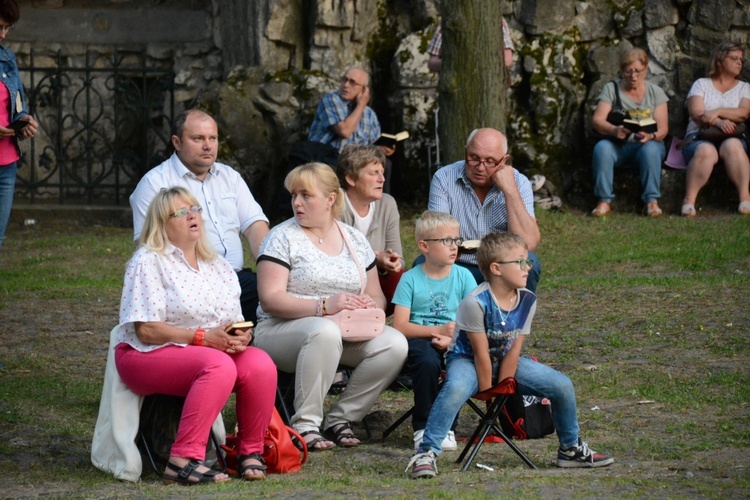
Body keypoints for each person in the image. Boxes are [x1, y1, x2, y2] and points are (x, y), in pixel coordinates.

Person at [101, 186, 277, 484]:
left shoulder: (218, 265)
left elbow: (234, 320)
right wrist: (201, 338)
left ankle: (248, 452)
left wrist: (239, 337)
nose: (192, 216)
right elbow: (146, 329)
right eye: (181, 212)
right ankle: (182, 460)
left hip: (206, 351)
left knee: (260, 364)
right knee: (217, 365)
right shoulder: (149, 260)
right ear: (162, 222)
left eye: (195, 209)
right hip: (144, 355)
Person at [406, 232, 614, 479]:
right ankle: (427, 453)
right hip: (467, 360)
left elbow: (515, 347)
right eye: (519, 262)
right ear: (496, 268)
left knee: (562, 385)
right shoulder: (476, 302)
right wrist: (488, 392)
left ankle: (570, 449)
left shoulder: (528, 299)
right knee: (455, 389)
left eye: (527, 261)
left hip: (505, 360)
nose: (527, 267)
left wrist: (505, 384)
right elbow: (480, 353)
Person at [253, 163, 408, 451]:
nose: (296, 203)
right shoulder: (281, 237)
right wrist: (324, 305)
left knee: (395, 343)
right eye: (293, 195)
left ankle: (340, 418)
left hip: (344, 329)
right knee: (324, 331)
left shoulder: (354, 239)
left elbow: (378, 297)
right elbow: (270, 299)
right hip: (280, 332)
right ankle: (306, 424)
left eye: (306, 195)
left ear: (330, 199)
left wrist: (365, 303)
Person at [130, 109, 269, 323]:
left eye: (213, 138)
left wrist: (271, 267)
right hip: (189, 283)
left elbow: (254, 226)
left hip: (237, 280)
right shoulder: (154, 184)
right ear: (176, 142)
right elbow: (149, 245)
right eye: (198, 139)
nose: (208, 146)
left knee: (275, 299)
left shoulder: (229, 177)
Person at [392, 211, 477, 452]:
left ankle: (448, 427)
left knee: (458, 367)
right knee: (428, 362)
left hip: (455, 340)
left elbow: (474, 319)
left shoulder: (464, 276)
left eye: (457, 240)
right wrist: (436, 330)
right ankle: (423, 427)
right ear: (424, 246)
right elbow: (399, 325)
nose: (455, 247)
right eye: (447, 241)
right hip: (420, 338)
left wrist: (451, 337)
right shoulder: (410, 279)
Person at [427, 127, 541, 293]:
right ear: (466, 152)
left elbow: (528, 243)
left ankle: (514, 317)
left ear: (504, 161)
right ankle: (443, 318)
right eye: (474, 158)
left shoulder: (519, 183)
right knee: (422, 265)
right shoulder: (444, 178)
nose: (480, 168)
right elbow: (435, 235)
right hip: (456, 263)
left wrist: (510, 191)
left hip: (500, 265)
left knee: (529, 262)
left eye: (490, 161)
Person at [590, 48, 669, 217]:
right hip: (619, 144)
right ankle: (604, 201)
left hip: (646, 144)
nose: (633, 76)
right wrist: (613, 130)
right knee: (602, 148)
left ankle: (651, 202)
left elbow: (663, 129)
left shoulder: (656, 93)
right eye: (628, 72)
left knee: (651, 149)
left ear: (646, 70)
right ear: (622, 71)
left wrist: (651, 136)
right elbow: (597, 120)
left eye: (638, 71)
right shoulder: (611, 89)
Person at [680, 42, 750, 217]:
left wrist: (717, 112)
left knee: (733, 145)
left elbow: (743, 113)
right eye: (734, 58)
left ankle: (745, 199)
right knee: (706, 150)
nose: (739, 63)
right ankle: (688, 202)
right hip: (699, 137)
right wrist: (718, 123)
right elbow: (696, 113)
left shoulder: (744, 87)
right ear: (719, 60)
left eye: (741, 59)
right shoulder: (701, 84)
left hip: (732, 137)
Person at [337, 144, 404, 315]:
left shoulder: (387, 204)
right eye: (374, 173)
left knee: (406, 279)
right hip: (341, 286)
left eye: (382, 172)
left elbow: (400, 260)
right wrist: (375, 258)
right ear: (351, 179)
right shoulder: (335, 204)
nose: (382, 179)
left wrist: (391, 261)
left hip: (377, 282)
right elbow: (335, 261)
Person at [307, 66, 397, 193]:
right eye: (345, 79)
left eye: (352, 82)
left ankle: (380, 206)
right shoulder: (331, 100)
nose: (346, 85)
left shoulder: (370, 114)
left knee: (385, 164)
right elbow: (344, 131)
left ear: (364, 89)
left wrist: (384, 148)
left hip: (356, 160)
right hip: (327, 156)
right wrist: (361, 104)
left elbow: (373, 146)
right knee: (340, 167)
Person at [0, 0, 38, 250]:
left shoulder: (7, 58)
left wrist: (25, 121)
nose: (3, 34)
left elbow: (17, 106)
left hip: (6, 163)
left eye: (7, 29)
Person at [426, 18, 515, 72]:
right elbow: (432, 62)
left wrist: (480, 62)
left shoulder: (498, 21)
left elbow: (507, 60)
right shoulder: (448, 21)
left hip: (489, 89)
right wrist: (453, 63)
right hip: (455, 90)